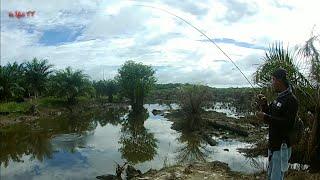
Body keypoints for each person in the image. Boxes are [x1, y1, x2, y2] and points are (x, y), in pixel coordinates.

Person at [256, 68, 298, 180]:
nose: (272, 82)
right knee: (271, 176)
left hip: (281, 147)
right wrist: (264, 104)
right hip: (273, 146)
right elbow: (270, 114)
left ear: (279, 80)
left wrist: (266, 117)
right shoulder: (279, 97)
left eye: (273, 79)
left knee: (276, 177)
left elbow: (287, 124)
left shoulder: (291, 100)